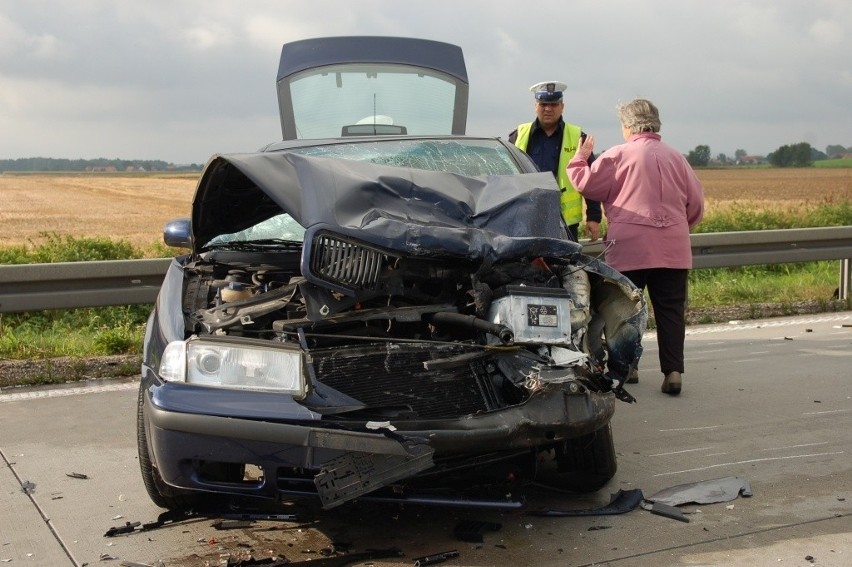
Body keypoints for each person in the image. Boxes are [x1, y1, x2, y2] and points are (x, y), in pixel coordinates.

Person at [566, 98, 704, 395]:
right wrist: (678, 228)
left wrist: (579, 158)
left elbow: (586, 185)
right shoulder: (677, 158)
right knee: (670, 311)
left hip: (630, 248)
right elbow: (697, 204)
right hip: (673, 248)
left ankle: (628, 367)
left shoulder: (617, 155)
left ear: (628, 126)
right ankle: (674, 371)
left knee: (623, 310)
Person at [509, 81, 601, 242]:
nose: (548, 109)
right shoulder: (518, 136)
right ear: (535, 106)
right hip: (526, 218)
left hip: (565, 222)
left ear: (562, 106)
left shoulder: (578, 137)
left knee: (566, 266)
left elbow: (591, 180)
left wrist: (593, 217)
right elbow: (505, 178)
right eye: (543, 104)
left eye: (553, 104)